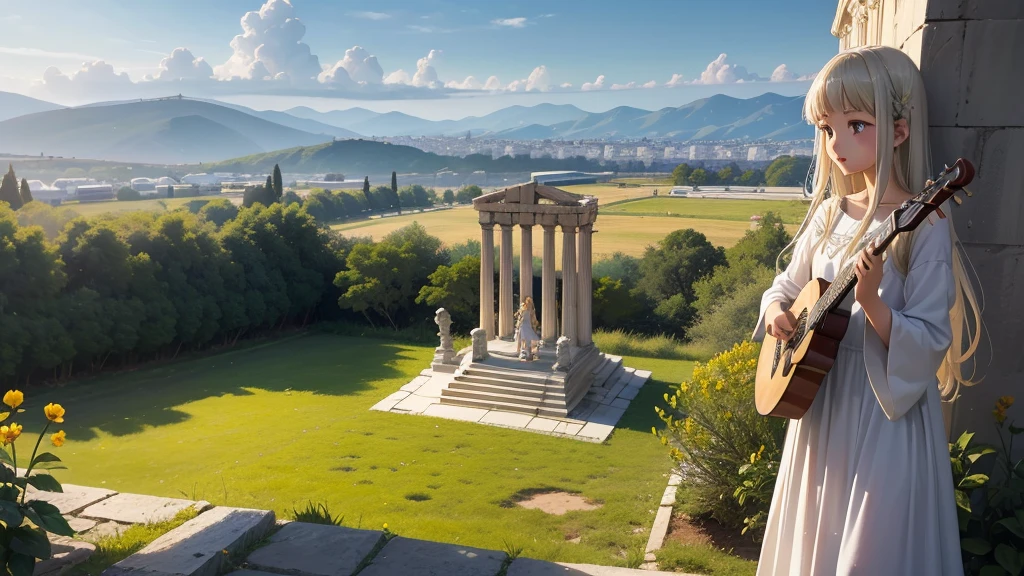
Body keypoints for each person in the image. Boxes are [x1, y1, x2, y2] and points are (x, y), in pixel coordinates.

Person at [752, 45, 983, 576]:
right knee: (817, 533)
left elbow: (928, 338)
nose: (835, 143)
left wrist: (872, 301)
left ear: (900, 131)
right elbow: (782, 287)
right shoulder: (830, 214)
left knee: (868, 548)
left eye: (854, 124)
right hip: (821, 395)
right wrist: (777, 314)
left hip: (885, 408)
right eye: (827, 129)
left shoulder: (925, 224)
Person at [514, 296, 541, 361]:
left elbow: (533, 319)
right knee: (525, 339)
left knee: (527, 339)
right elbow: (519, 316)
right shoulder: (524, 308)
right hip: (524, 325)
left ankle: (528, 354)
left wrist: (534, 325)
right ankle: (526, 353)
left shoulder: (530, 310)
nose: (529, 303)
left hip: (526, 325)